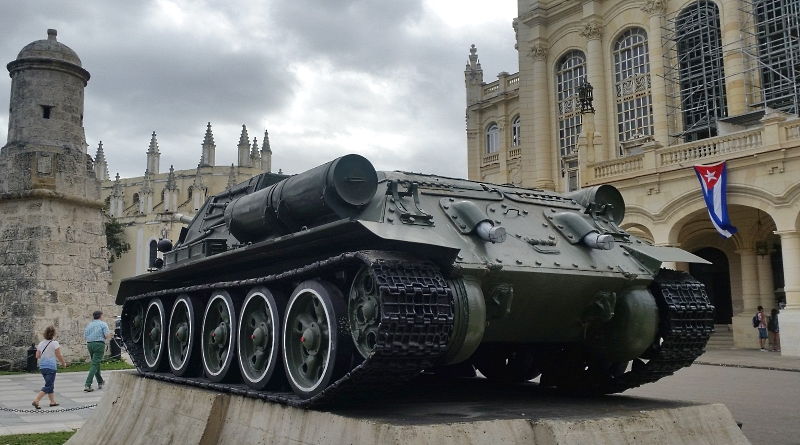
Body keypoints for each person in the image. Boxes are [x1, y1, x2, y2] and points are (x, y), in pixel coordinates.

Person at [31, 326, 68, 409]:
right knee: (49, 385)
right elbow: (59, 355)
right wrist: (63, 363)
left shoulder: (41, 343)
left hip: (42, 366)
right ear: (53, 334)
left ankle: (52, 401)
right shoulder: (55, 343)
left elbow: (37, 356)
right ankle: (36, 400)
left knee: (49, 383)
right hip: (51, 366)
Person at [84, 310, 111, 392]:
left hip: (89, 344)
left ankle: (100, 381)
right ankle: (87, 384)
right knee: (95, 364)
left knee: (96, 363)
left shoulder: (89, 325)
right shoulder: (103, 324)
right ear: (100, 316)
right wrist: (111, 335)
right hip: (99, 344)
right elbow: (107, 336)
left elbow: (85, 335)